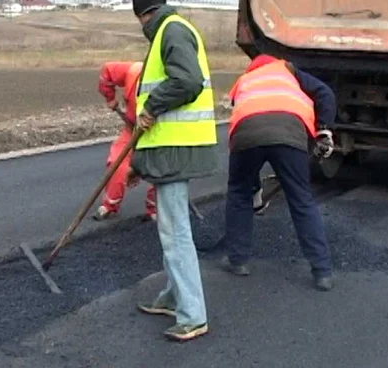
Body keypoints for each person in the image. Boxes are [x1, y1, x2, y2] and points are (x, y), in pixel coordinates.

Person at [128, 0, 218, 342]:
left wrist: (151, 105)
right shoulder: (170, 30)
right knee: (170, 226)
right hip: (169, 150)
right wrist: (140, 162)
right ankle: (172, 296)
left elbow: (188, 81)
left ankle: (193, 314)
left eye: (141, 19)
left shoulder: (172, 31)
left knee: (176, 231)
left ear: (145, 14)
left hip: (178, 149)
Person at [219, 54, 337, 291]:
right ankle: (322, 272)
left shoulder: (244, 81)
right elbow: (325, 93)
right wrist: (324, 129)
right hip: (289, 135)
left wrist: (254, 189)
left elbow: (245, 114)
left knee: (238, 193)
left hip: (246, 136)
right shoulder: (289, 70)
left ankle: (238, 260)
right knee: (302, 200)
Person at [93, 61, 157, 222]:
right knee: (117, 161)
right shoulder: (134, 71)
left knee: (160, 169)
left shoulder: (173, 79)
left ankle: (155, 209)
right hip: (133, 128)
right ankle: (109, 205)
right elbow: (107, 72)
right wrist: (110, 98)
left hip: (159, 133)